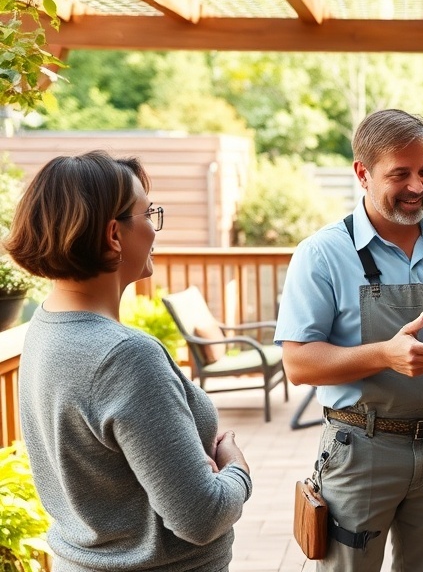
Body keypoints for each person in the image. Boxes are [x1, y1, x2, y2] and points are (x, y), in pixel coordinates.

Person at [275, 108, 423, 572]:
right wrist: (385, 354)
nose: (418, 186)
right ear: (362, 173)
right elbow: (298, 364)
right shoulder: (321, 254)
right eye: (400, 174)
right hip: (361, 450)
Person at [5, 151, 251, 571]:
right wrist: (235, 466)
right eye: (147, 214)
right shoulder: (124, 357)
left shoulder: (45, 329)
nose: (154, 230)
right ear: (113, 236)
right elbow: (201, 517)